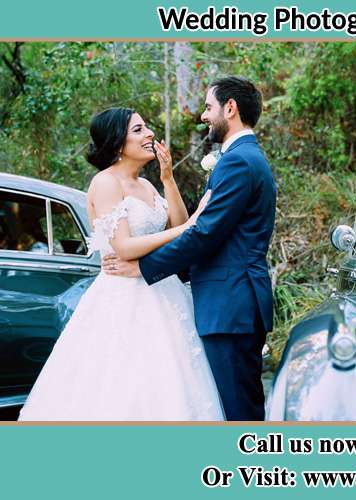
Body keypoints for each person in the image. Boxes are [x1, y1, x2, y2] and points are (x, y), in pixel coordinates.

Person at [18, 107, 223, 421]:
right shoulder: (105, 183)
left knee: (172, 380)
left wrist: (168, 180)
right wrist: (185, 228)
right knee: (120, 382)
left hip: (163, 293)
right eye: (138, 130)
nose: (150, 134)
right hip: (124, 296)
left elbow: (180, 226)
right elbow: (124, 247)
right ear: (117, 143)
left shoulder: (147, 185)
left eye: (146, 127)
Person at [103, 77, 276, 421]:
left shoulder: (238, 162)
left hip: (230, 305)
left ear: (231, 108)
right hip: (229, 303)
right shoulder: (242, 157)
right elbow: (201, 230)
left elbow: (204, 233)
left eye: (209, 107)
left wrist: (143, 268)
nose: (203, 116)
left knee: (238, 412)